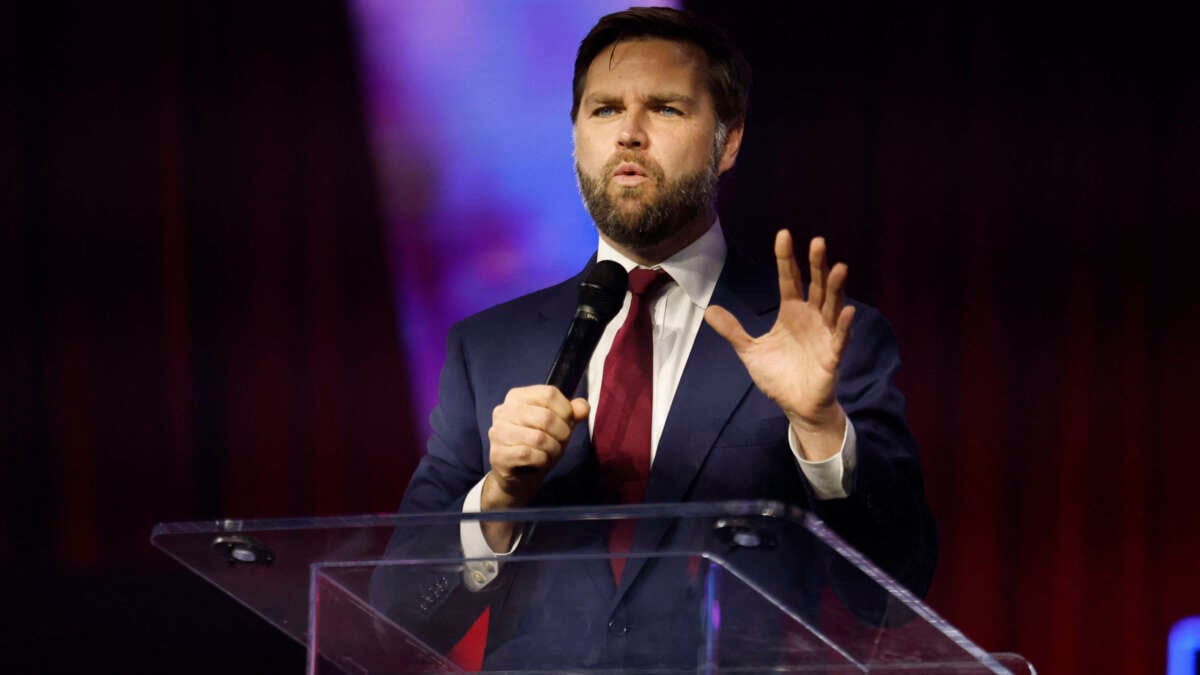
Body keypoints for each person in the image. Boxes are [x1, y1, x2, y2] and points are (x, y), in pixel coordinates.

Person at [375, 7, 937, 669]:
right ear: (576, 135)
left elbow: (892, 596)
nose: (630, 135)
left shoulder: (824, 341)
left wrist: (819, 428)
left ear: (728, 141)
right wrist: (497, 498)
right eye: (605, 110)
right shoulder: (487, 349)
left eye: (666, 109)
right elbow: (397, 617)